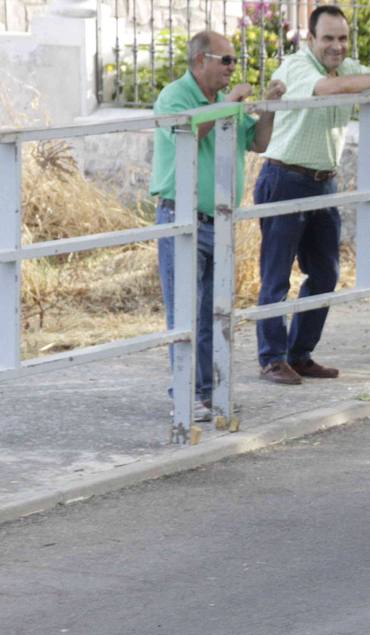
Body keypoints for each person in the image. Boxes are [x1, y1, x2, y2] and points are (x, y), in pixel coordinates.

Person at [254, 4, 370, 385]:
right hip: (285, 178)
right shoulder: (297, 66)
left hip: (324, 181)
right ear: (310, 39)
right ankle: (272, 358)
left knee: (325, 273)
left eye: (342, 38)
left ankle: (300, 353)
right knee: (276, 276)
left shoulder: (347, 68)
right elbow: (327, 88)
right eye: (328, 38)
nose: (336, 46)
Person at [150, 31, 285, 421]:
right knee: (185, 312)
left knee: (215, 311)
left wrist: (269, 109)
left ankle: (209, 391)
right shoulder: (175, 96)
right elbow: (188, 134)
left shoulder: (225, 101)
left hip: (220, 221)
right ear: (200, 61)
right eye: (225, 60)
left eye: (234, 60)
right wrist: (228, 105)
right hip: (183, 218)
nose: (232, 67)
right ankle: (184, 393)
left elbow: (257, 143)